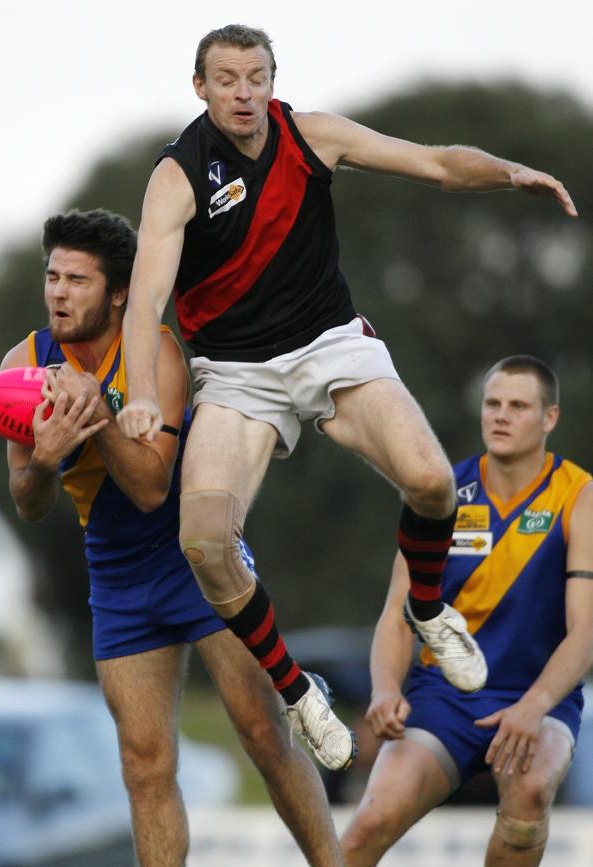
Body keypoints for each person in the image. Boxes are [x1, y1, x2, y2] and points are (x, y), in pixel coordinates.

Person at [116, 23, 578, 771]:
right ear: (199, 87)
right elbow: (145, 303)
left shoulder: (313, 135)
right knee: (203, 541)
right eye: (227, 79)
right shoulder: (177, 176)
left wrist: (509, 171)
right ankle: (300, 692)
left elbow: (431, 163)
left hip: (331, 344)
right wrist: (141, 396)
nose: (244, 92)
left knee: (432, 483)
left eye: (256, 76)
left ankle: (426, 610)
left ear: (273, 79)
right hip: (236, 371)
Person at [1, 209, 346, 867]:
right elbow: (28, 502)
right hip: (117, 576)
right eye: (53, 276)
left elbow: (153, 487)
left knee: (262, 733)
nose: (59, 293)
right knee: (143, 762)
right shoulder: (25, 363)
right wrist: (43, 461)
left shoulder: (156, 351)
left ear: (120, 291)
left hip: (196, 559)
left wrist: (98, 417)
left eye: (78, 280)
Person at [341, 355, 593, 867]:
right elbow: (397, 615)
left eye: (518, 406)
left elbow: (585, 629)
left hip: (537, 697)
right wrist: (386, 689)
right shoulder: (439, 492)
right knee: (369, 822)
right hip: (444, 698)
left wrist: (535, 705)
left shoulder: (578, 496)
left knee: (530, 799)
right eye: (492, 403)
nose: (500, 415)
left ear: (549, 418)